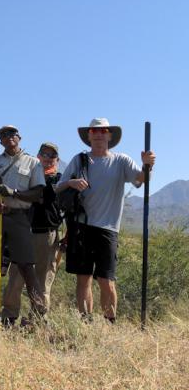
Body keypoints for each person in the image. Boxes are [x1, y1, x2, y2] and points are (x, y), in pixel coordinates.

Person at [57, 118, 156, 322]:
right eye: (95, 130)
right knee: (83, 278)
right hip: (81, 226)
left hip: (108, 229)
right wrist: (72, 182)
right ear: (89, 135)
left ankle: (109, 324)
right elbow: (58, 186)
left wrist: (148, 166)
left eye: (104, 130)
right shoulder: (79, 160)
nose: (99, 134)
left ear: (110, 135)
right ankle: (86, 323)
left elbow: (141, 179)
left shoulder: (121, 161)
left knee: (106, 280)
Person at [0, 125, 46, 325]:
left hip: (19, 217)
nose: (8, 137)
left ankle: (39, 315)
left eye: (12, 134)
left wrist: (14, 193)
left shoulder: (33, 163)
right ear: (0, 141)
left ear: (19, 137)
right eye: (3, 135)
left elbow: (38, 194)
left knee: (26, 266)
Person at [0, 142, 63, 323]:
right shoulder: (28, 177)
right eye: (44, 154)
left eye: (52, 156)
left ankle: (37, 318)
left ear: (56, 160)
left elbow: (43, 197)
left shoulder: (58, 179)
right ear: (38, 155)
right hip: (24, 230)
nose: (48, 158)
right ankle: (9, 315)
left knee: (43, 278)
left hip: (46, 234)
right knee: (16, 276)